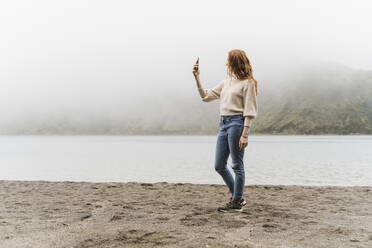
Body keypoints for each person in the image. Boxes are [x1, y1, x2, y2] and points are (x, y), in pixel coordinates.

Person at [192, 49, 258, 212]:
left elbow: (250, 110)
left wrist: (245, 134)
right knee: (219, 165)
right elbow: (206, 96)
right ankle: (238, 197)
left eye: (228, 61)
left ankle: (236, 201)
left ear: (235, 62)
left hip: (237, 123)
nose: (226, 64)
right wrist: (197, 77)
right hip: (223, 123)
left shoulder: (248, 83)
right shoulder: (227, 81)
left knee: (237, 164)